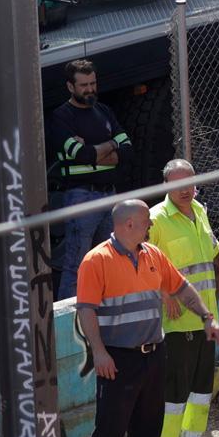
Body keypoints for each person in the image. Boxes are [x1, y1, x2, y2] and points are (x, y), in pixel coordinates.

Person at [74, 200, 219, 437]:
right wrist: (98, 352)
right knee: (109, 432)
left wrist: (205, 316)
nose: (150, 227)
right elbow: (86, 311)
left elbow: (181, 287)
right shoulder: (96, 261)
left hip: (154, 354)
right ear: (127, 225)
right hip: (118, 359)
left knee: (147, 427)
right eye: (144, 223)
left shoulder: (153, 255)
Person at [148, 159, 219, 437]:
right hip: (176, 325)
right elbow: (141, 264)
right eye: (178, 184)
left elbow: (212, 256)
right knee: (174, 394)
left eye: (190, 182)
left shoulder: (200, 211)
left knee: (200, 390)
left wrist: (215, 305)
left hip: (206, 320)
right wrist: (164, 293)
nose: (185, 189)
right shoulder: (156, 220)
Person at [47, 59, 134, 300]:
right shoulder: (61, 117)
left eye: (93, 83)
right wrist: (111, 146)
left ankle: (103, 314)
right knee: (77, 264)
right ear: (70, 87)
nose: (90, 89)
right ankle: (70, 322)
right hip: (81, 197)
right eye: (83, 85)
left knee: (108, 262)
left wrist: (97, 151)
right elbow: (81, 154)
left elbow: (127, 151)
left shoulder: (104, 111)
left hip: (109, 196)